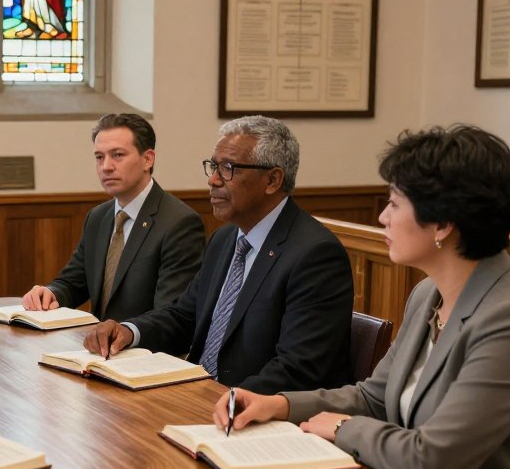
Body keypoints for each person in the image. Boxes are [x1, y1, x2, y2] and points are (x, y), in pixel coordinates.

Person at [216, 125, 510, 469]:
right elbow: (376, 397)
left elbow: (434, 460)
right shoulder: (427, 294)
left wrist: (342, 427)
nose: (382, 218)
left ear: (442, 224)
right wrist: (278, 404)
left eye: (395, 204)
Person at [85, 115, 352, 394]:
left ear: (272, 180)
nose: (213, 180)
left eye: (228, 168)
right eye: (213, 166)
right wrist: (129, 331)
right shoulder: (226, 239)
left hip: (253, 411)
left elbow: (298, 368)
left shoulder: (315, 255)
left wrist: (219, 400)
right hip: (202, 395)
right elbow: (184, 317)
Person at [22, 113, 205, 320]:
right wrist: (51, 293)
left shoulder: (179, 223)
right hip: (96, 346)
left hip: (145, 348)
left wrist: (126, 333)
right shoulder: (98, 217)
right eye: (99, 157)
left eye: (117, 155)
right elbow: (73, 283)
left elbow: (171, 314)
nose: (106, 166)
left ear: (147, 159)